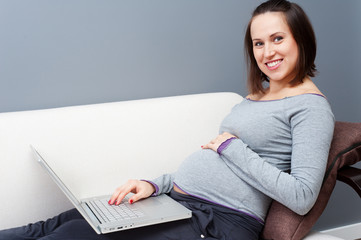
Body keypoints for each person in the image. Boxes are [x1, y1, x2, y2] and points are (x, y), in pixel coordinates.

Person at [0, 0, 335, 239]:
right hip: (176, 201)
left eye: (278, 38)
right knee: (49, 226)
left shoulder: (311, 108)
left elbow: (302, 196)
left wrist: (231, 147)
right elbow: (218, 163)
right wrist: (154, 184)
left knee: (67, 236)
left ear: (301, 39)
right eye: (258, 43)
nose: (267, 52)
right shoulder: (255, 97)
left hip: (220, 222)